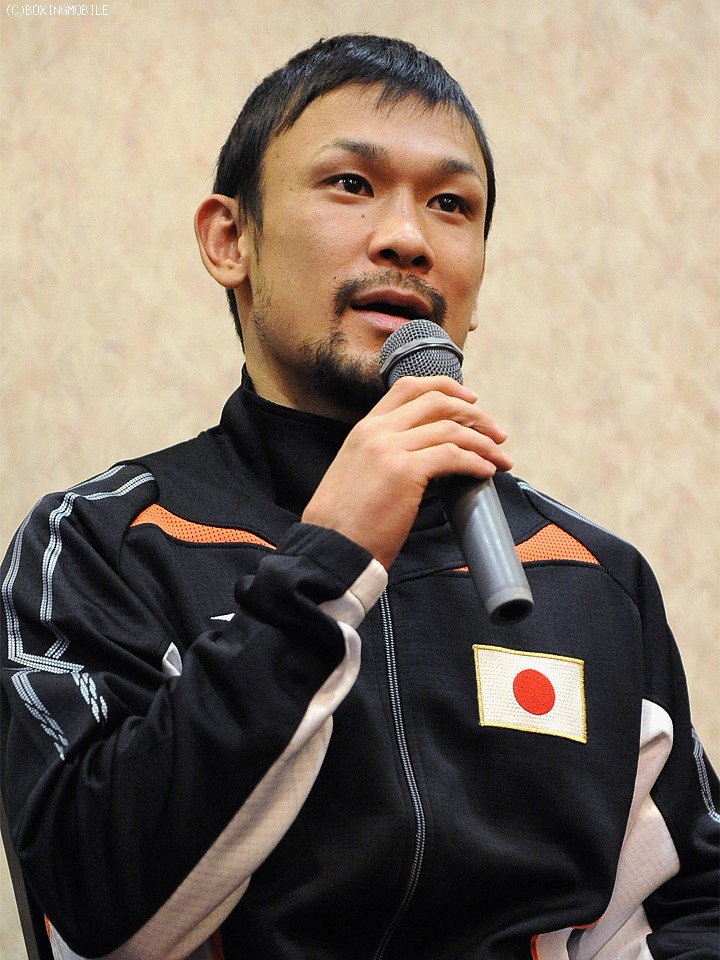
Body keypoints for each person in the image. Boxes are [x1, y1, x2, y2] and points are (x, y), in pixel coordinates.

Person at [1, 33, 717, 960]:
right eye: (351, 184)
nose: (409, 239)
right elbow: (92, 898)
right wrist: (324, 566)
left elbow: (696, 905)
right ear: (230, 240)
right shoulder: (103, 542)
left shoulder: (591, 577)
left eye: (452, 204)